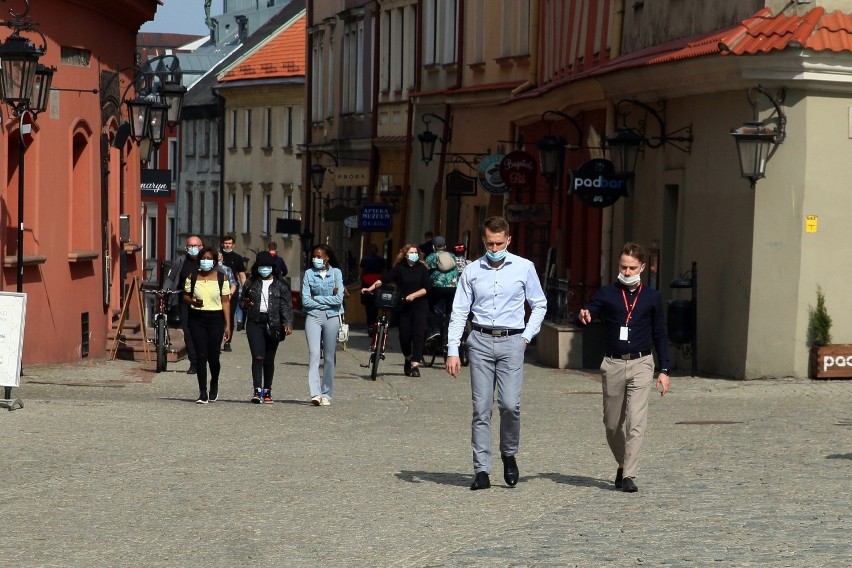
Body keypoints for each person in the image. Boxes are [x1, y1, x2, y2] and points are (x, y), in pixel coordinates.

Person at [446, 216, 547, 490]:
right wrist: (453, 349)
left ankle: (509, 454)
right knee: (481, 409)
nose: (494, 248)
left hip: (512, 340)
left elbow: (539, 304)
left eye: (499, 243)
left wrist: (526, 337)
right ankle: (481, 470)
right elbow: (459, 311)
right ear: (483, 240)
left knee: (510, 405)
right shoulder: (472, 271)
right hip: (479, 340)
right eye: (489, 243)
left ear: (509, 240)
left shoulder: (525, 268)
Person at [577, 242, 670, 493]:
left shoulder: (652, 298)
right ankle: (622, 462)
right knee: (611, 424)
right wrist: (585, 314)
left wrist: (664, 370)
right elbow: (591, 310)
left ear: (642, 267)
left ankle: (629, 475)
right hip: (613, 363)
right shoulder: (607, 293)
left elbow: (660, 333)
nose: (626, 272)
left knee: (636, 421)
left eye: (631, 268)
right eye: (623, 267)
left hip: (642, 362)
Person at [362, 243, 431, 377]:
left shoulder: (422, 269)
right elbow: (383, 279)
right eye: (411, 253)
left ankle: (415, 365)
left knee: (418, 334)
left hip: (420, 305)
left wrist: (413, 295)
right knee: (404, 335)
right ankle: (407, 358)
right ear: (405, 255)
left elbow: (427, 288)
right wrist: (370, 288)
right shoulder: (399, 268)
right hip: (403, 305)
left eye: (415, 253)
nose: (414, 255)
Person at [240, 251, 294, 404]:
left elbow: (286, 305)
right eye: (261, 266)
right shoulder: (251, 282)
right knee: (258, 356)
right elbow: (241, 302)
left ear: (272, 267)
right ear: (257, 267)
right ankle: (257, 390)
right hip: (255, 322)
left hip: (274, 323)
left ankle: (267, 390)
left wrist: (288, 322)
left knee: (269, 360)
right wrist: (246, 303)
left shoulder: (281, 284)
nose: (264, 269)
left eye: (267, 266)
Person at [182, 246, 231, 404]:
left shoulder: (221, 278)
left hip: (216, 319)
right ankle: (202, 392)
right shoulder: (192, 276)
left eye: (210, 259)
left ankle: (214, 382)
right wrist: (192, 301)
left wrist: (228, 325)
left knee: (213, 357)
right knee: (201, 355)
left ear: (215, 261)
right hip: (197, 318)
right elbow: (185, 296)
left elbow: (225, 301)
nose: (206, 261)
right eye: (204, 258)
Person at [302, 244, 344, 406]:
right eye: (314, 256)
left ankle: (326, 393)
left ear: (327, 257)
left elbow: (338, 299)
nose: (316, 259)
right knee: (313, 353)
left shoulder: (336, 273)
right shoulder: (308, 274)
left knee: (328, 356)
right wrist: (326, 300)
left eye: (319, 256)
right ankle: (315, 393)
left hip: (332, 317)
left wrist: (316, 299)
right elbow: (306, 300)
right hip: (313, 317)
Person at [164, 235, 203, 374]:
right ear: (186, 248)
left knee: (201, 332)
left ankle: (202, 359)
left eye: (196, 246)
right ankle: (194, 362)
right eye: (191, 246)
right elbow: (171, 278)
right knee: (188, 331)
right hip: (184, 300)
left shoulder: (206, 261)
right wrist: (166, 290)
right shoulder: (180, 261)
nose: (193, 249)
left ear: (201, 247)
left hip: (203, 302)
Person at [424, 235, 459, 340]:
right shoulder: (452, 255)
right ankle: (453, 330)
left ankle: (435, 329)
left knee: (427, 305)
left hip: (437, 288)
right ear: (445, 246)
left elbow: (425, 271)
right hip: (453, 287)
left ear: (434, 247)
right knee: (451, 310)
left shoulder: (431, 257)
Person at [220, 235, 247, 333]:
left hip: (233, 290)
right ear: (222, 244)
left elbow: (242, 275)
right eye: (226, 243)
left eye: (229, 243)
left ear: (233, 245)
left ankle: (228, 341)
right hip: (218, 289)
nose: (227, 245)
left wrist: (245, 289)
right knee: (219, 316)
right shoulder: (217, 256)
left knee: (230, 316)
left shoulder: (237, 258)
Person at [359, 244, 385, 331]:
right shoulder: (380, 260)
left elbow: (361, 270)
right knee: (375, 304)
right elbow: (384, 271)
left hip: (366, 282)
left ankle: (370, 324)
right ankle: (373, 323)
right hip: (377, 283)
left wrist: (360, 278)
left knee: (368, 305)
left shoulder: (365, 259)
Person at [216, 250, 238, 352]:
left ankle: (227, 341)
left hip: (226, 298)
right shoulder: (207, 270)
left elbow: (233, 283)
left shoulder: (227, 269)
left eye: (220, 258)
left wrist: (229, 295)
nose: (218, 260)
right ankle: (216, 343)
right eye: (216, 258)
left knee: (227, 320)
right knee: (218, 322)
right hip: (214, 299)